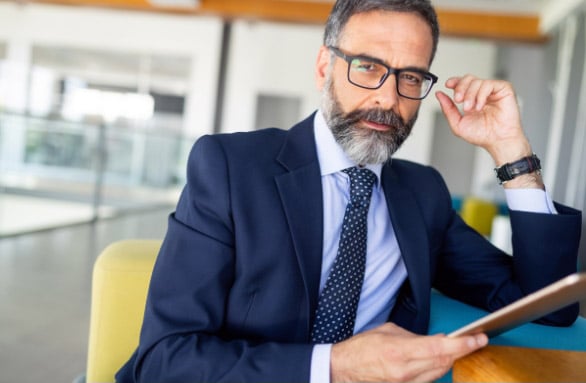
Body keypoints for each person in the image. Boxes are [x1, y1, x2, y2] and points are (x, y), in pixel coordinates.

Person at [117, 0, 582, 382]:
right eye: (367, 67)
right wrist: (336, 366)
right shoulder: (231, 169)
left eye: (411, 77)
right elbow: (164, 360)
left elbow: (545, 305)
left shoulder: (423, 194)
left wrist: (512, 154)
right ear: (325, 67)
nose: (387, 98)